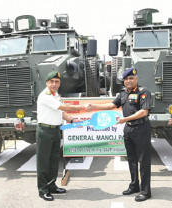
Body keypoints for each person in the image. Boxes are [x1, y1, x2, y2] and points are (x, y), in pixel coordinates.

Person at [89, 67, 152, 202]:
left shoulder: (143, 92)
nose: (128, 81)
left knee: (144, 161)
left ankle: (146, 191)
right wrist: (93, 106)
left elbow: (144, 112)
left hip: (141, 128)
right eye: (126, 79)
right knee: (131, 159)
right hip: (128, 130)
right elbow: (111, 106)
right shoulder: (123, 93)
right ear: (123, 81)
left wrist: (125, 119)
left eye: (131, 78)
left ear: (136, 79)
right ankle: (134, 185)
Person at [36, 71, 90, 201]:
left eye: (57, 82)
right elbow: (63, 106)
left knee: (53, 160)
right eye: (52, 82)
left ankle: (52, 185)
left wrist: (71, 120)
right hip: (45, 131)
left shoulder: (56, 95)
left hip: (55, 130)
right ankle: (43, 190)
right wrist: (83, 107)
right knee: (44, 162)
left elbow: (61, 111)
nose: (54, 84)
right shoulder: (45, 95)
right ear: (47, 83)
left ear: (59, 83)